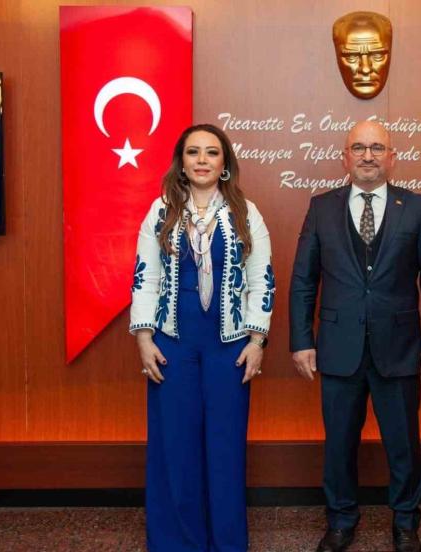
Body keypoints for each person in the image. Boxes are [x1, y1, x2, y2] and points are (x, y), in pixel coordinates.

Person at [289, 121, 421, 552]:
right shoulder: (321, 208)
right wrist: (302, 340)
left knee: (403, 444)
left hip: (400, 349)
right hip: (338, 348)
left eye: (377, 148)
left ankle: (406, 522)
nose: (367, 155)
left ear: (392, 157)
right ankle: (340, 520)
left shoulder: (416, 207)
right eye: (358, 147)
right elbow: (303, 281)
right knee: (339, 443)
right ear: (344, 157)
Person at [130, 123, 274, 552]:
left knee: (225, 448)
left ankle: (226, 542)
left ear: (224, 162)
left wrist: (257, 342)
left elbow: (261, 280)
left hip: (229, 348)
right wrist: (144, 339)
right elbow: (145, 278)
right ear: (181, 162)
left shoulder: (246, 213)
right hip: (172, 345)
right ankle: (176, 543)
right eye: (193, 152)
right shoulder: (161, 211)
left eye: (212, 152)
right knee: (175, 445)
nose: (202, 160)